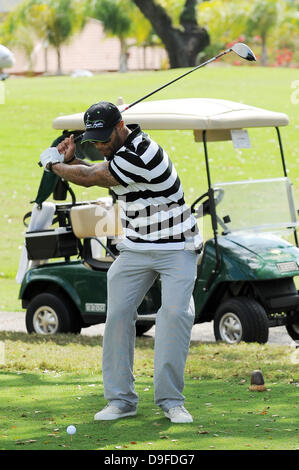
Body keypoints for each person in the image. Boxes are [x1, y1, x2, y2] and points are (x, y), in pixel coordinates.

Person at [40, 101, 203, 423]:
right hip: (135, 248)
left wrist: (54, 165)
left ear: (121, 126)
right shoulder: (118, 151)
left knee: (173, 317)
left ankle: (171, 400)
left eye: (104, 138)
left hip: (176, 247)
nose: (99, 145)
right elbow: (94, 170)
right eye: (94, 139)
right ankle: (121, 400)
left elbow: (91, 177)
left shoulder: (143, 154)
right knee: (116, 318)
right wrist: (70, 158)